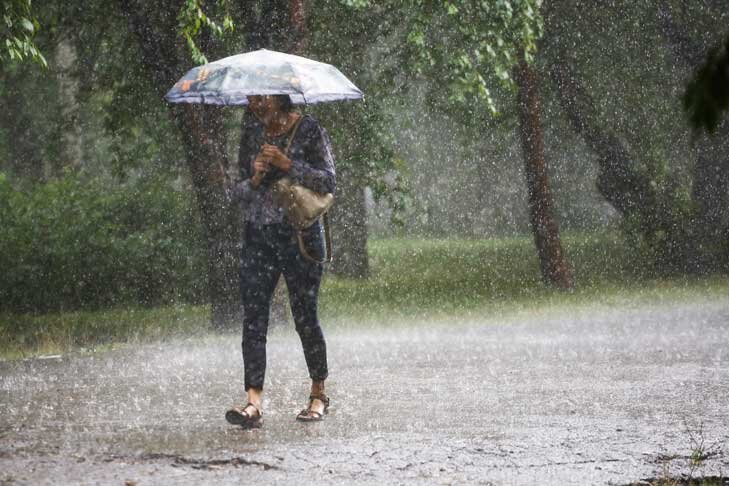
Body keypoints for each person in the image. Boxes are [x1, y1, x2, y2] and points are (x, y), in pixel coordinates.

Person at [223, 94, 335, 428]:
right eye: (250, 97)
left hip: (299, 237)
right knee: (254, 319)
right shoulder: (252, 134)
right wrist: (255, 178)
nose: (254, 103)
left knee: (304, 317)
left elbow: (329, 181)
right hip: (258, 237)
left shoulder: (309, 129)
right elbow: (236, 195)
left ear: (279, 96)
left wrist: (289, 165)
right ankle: (253, 402)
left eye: (262, 97)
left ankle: (318, 394)